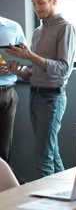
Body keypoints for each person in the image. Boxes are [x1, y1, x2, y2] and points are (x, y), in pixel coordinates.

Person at [6, 0, 76, 178]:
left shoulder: (66, 29)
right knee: (51, 155)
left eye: (41, 3)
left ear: (54, 1)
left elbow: (63, 69)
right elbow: (35, 70)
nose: (36, 8)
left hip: (52, 99)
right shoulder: (38, 32)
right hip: (35, 97)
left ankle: (48, 205)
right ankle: (67, 197)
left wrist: (29, 56)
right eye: (33, 3)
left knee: (42, 158)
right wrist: (18, 71)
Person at [0, 16, 26, 165]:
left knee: (4, 148)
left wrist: (14, 69)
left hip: (8, 95)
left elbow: (26, 61)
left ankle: (4, 187)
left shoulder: (13, 27)